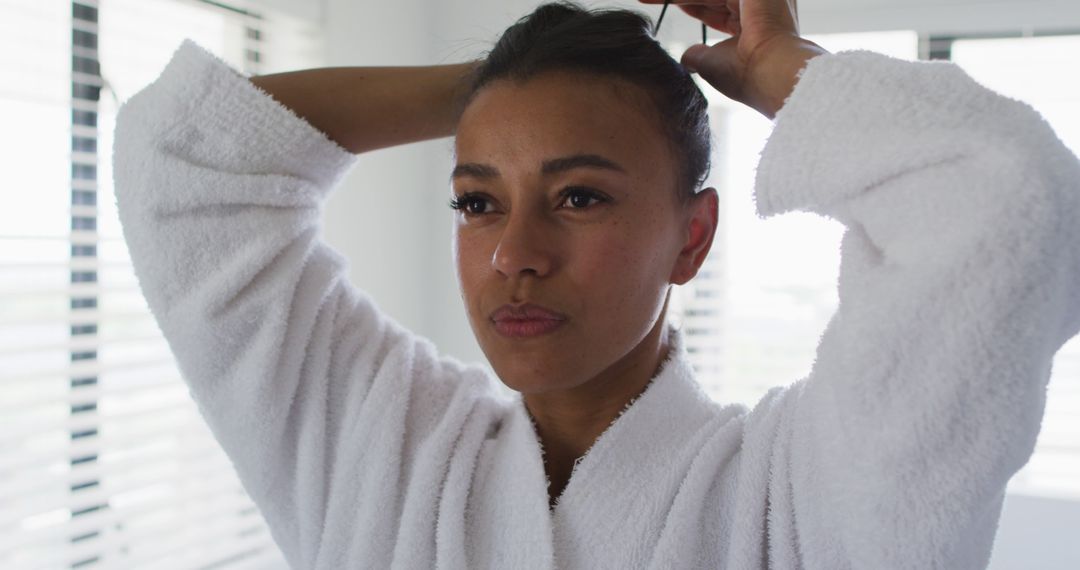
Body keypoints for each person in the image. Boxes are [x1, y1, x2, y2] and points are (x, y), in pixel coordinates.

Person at [112, 0, 1080, 567]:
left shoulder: (798, 496)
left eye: (577, 197)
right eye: (478, 201)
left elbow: (1006, 201)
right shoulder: (382, 453)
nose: (514, 254)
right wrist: (507, 79)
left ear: (692, 239)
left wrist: (782, 65)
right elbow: (185, 162)